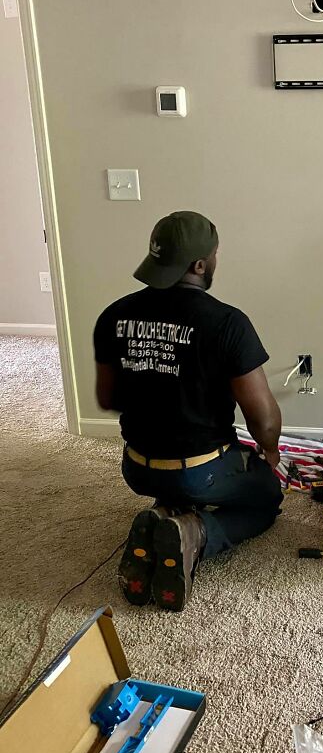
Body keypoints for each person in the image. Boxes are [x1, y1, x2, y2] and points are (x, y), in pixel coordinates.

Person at [94, 211, 283, 610]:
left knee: (187, 483)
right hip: (202, 471)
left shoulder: (113, 316)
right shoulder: (228, 323)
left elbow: (108, 399)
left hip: (137, 468)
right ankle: (196, 532)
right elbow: (263, 417)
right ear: (200, 264)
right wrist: (270, 452)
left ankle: (165, 514)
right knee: (266, 499)